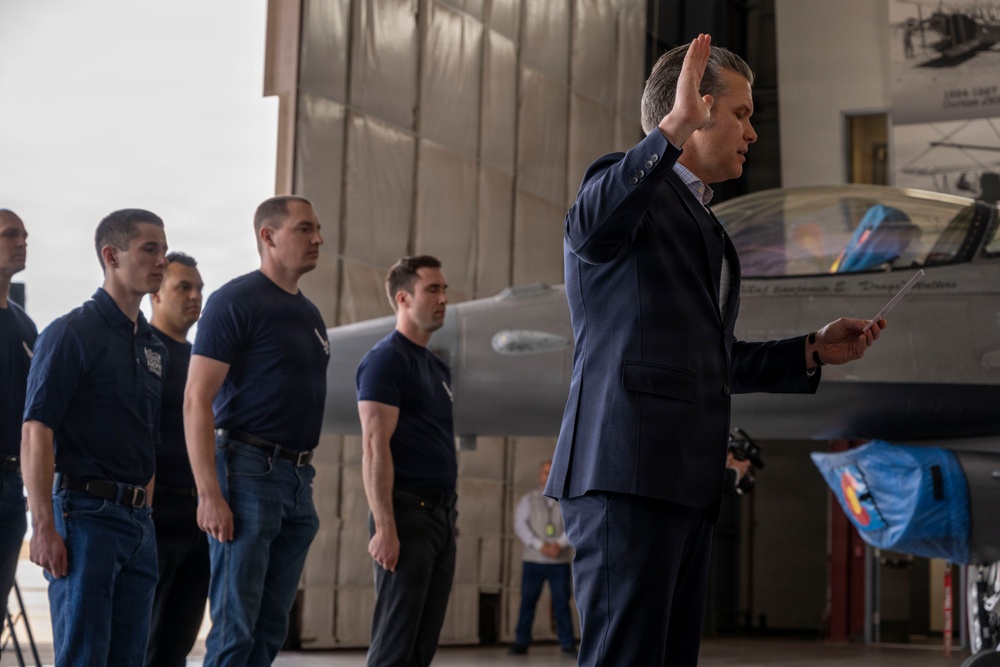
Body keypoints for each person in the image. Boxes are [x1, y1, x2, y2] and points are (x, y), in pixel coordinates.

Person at [544, 34, 886, 667]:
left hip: (682, 480)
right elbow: (589, 230)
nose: (753, 132)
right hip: (628, 473)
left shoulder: (700, 219)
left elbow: (709, 358)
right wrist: (670, 129)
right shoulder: (622, 186)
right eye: (742, 114)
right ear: (696, 108)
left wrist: (810, 350)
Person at [184, 195, 329, 666]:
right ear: (268, 237)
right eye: (305, 229)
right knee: (235, 629)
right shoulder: (235, 301)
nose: (318, 239)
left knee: (270, 629)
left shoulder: (309, 314)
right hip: (247, 473)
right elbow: (196, 399)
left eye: (317, 229)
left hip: (297, 480)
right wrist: (210, 493)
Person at [21, 208, 168, 665]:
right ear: (111, 255)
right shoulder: (70, 334)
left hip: (138, 526)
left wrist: (145, 511)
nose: (162, 260)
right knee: (85, 657)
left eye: (164, 250)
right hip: (86, 519)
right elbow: (35, 431)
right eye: (150, 249)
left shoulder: (152, 345)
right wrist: (44, 528)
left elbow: (145, 436)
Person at [356, 255, 456, 667]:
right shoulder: (386, 359)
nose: (444, 299)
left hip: (441, 517)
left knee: (420, 649)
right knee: (394, 649)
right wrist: (385, 528)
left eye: (444, 290)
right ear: (403, 298)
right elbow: (374, 448)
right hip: (406, 514)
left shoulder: (437, 366)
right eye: (433, 290)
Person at [145, 251, 207, 667]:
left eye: (199, 288)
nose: (195, 296)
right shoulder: (140, 351)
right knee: (143, 641)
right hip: (152, 514)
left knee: (178, 644)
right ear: (156, 294)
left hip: (198, 515)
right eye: (183, 287)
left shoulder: (203, 362)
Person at [1, 209, 36, 613]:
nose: (22, 242)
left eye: (24, 235)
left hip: (11, 488)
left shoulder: (27, 327)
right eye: (11, 234)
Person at [509, 459, 575, 658]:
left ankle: (567, 644)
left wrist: (559, 544)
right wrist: (541, 546)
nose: (548, 476)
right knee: (528, 601)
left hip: (559, 561)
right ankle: (521, 641)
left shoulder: (568, 501)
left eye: (551, 472)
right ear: (540, 475)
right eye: (545, 472)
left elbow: (574, 525)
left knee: (562, 602)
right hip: (533, 561)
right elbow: (521, 526)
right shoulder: (528, 500)